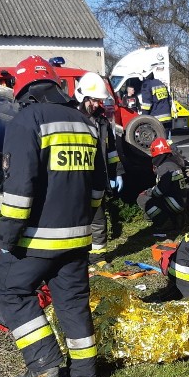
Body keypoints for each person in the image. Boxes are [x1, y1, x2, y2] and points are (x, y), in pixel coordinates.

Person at [0, 56, 106, 377]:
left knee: (8, 290)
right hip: (77, 238)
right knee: (72, 301)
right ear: (55, 86)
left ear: (23, 90)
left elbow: (19, 188)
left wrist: (6, 237)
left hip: (35, 240)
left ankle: (43, 359)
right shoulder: (86, 123)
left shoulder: (27, 121)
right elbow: (99, 185)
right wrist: (86, 219)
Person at [74, 72, 125, 265]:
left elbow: (111, 151)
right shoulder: (71, 118)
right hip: (76, 179)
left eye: (98, 101)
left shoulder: (101, 121)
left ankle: (98, 257)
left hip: (97, 178)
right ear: (82, 96)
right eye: (93, 101)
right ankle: (76, 257)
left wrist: (117, 173)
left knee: (98, 218)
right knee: (76, 220)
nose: (97, 105)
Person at [137, 137, 186, 230]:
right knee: (150, 211)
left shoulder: (165, 167)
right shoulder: (172, 163)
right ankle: (175, 218)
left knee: (142, 199)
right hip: (180, 200)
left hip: (175, 202)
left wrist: (147, 193)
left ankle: (164, 222)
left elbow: (160, 190)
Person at [140, 73, 173, 137]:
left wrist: (143, 118)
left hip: (157, 118)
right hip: (167, 116)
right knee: (166, 139)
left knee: (157, 140)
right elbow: (170, 100)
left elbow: (147, 104)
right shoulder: (160, 83)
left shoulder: (147, 84)